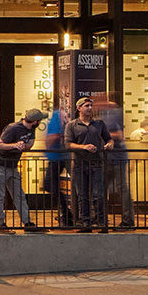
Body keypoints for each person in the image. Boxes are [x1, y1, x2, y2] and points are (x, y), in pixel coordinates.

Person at [0, 109, 46, 233]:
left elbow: (29, 145)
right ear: (35, 121)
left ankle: (27, 222)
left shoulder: (31, 130)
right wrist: (15, 145)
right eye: (40, 120)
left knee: (19, 195)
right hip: (0, 163)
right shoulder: (13, 128)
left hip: (12, 165)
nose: (40, 123)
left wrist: (24, 146)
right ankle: (0, 224)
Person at [64, 97, 111, 232]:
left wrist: (109, 144)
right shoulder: (72, 125)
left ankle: (101, 223)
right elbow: (68, 144)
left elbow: (109, 139)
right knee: (82, 195)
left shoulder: (99, 124)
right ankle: (86, 223)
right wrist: (83, 147)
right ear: (79, 108)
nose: (90, 108)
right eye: (87, 106)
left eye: (91, 106)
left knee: (98, 194)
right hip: (79, 163)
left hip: (97, 162)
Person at [95, 93, 136, 229]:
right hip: (107, 159)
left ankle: (128, 220)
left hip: (116, 158)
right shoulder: (104, 115)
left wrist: (100, 135)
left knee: (121, 188)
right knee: (102, 189)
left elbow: (119, 135)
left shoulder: (114, 114)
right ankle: (101, 219)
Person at [43, 95, 70, 227]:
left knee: (49, 185)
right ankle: (67, 214)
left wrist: (47, 147)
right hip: (60, 156)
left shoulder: (56, 115)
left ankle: (67, 214)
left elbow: (54, 136)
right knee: (53, 185)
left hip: (56, 157)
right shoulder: (63, 116)